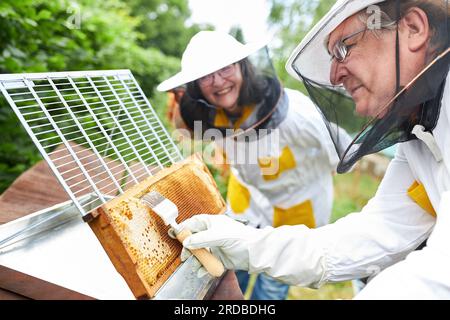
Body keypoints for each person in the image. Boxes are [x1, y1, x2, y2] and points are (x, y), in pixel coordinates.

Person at [177, 0, 450, 299]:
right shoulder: (418, 142)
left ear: (413, 29)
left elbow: (437, 276)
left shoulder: (299, 115)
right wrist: (247, 245)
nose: (333, 77)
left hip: (298, 211)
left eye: (344, 48)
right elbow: (376, 232)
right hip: (254, 213)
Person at [157, 31, 349, 300]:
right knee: (225, 274)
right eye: (205, 76)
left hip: (295, 215)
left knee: (270, 287)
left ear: (242, 68)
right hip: (244, 206)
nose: (218, 82)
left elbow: (340, 154)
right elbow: (184, 132)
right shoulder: (213, 113)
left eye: (225, 68)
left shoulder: (298, 115)